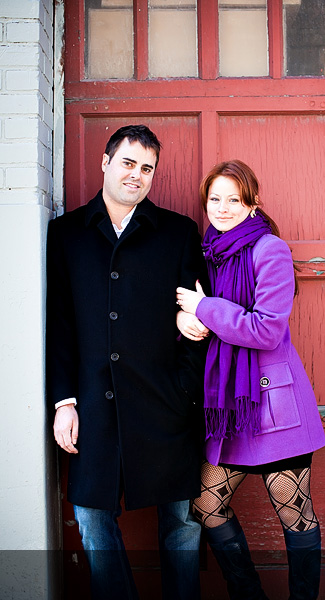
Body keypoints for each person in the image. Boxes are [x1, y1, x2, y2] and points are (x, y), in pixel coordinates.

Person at [47, 124, 207, 599]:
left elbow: (195, 317)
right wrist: (64, 402)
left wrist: (184, 389)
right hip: (93, 403)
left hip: (165, 403)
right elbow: (60, 324)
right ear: (105, 161)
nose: (136, 176)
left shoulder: (178, 233)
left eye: (147, 168)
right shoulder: (67, 234)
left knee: (182, 524)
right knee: (92, 517)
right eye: (128, 163)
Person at [175, 160, 325, 600]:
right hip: (229, 406)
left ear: (252, 202)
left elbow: (266, 329)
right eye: (214, 199)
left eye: (233, 200)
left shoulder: (269, 249)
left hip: (273, 405)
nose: (222, 208)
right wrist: (188, 318)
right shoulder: (210, 252)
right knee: (206, 506)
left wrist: (205, 309)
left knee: (295, 515)